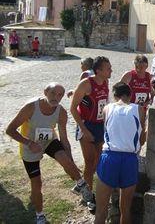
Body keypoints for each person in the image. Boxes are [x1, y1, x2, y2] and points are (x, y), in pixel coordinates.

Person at [6, 83, 96, 223]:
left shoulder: (61, 112)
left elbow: (64, 139)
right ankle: (40, 216)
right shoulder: (30, 107)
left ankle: (82, 185)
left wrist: (71, 161)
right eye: (53, 93)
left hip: (48, 140)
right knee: (37, 184)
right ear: (45, 92)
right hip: (29, 146)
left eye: (60, 95)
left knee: (65, 159)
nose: (56, 97)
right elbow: (10, 129)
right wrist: (29, 143)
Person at [95, 82, 146, 224]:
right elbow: (141, 139)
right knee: (126, 210)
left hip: (110, 157)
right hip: (130, 159)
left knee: (101, 212)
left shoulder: (107, 108)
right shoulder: (139, 109)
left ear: (114, 95)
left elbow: (107, 131)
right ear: (130, 95)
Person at [70, 56, 111, 193]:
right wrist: (84, 130)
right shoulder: (85, 84)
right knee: (89, 161)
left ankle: (82, 184)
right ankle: (89, 195)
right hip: (86, 124)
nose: (111, 70)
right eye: (108, 68)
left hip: (100, 125)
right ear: (98, 70)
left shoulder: (106, 82)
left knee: (98, 160)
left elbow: (104, 103)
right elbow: (73, 108)